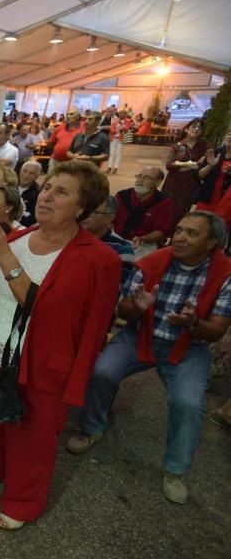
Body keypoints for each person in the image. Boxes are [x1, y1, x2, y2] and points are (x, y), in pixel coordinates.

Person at [0, 160, 120, 529]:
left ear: (82, 207)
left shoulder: (96, 258)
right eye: (47, 188)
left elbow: (45, 310)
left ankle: (22, 502)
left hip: (43, 359)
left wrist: (5, 255)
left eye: (62, 192)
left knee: (34, 436)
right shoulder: (17, 239)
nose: (47, 197)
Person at [68, 211, 231, 505]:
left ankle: (175, 469)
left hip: (188, 346)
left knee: (188, 403)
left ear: (212, 243)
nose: (179, 237)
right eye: (179, 229)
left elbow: (217, 330)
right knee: (101, 372)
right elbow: (124, 312)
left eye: (192, 234)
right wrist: (137, 308)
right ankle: (91, 428)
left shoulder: (225, 273)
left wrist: (194, 324)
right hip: (139, 335)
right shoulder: (154, 261)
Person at [113, 167, 174, 259]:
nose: (140, 181)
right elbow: (108, 218)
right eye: (139, 176)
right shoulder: (122, 196)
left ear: (157, 182)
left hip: (143, 244)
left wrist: (142, 238)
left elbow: (161, 232)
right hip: (116, 238)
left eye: (147, 178)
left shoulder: (164, 202)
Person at [80, 195, 135, 286]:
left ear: (109, 218)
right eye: (84, 209)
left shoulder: (123, 250)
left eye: (93, 212)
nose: (84, 215)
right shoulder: (66, 237)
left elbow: (115, 288)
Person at [161, 118, 208, 224]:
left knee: (182, 214)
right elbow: (169, 165)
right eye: (193, 127)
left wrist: (179, 165)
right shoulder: (178, 145)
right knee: (166, 211)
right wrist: (189, 164)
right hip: (173, 184)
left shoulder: (204, 146)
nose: (196, 129)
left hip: (190, 185)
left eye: (199, 128)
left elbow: (201, 165)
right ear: (186, 129)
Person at [197, 130, 231, 214]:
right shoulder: (215, 153)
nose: (230, 137)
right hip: (208, 197)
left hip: (226, 202)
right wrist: (210, 165)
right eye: (229, 134)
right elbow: (199, 176)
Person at [17, 160, 42, 227]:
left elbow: (36, 218)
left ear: (37, 176)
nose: (26, 175)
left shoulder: (39, 194)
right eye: (25, 171)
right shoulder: (9, 186)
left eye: (31, 173)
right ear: (20, 172)